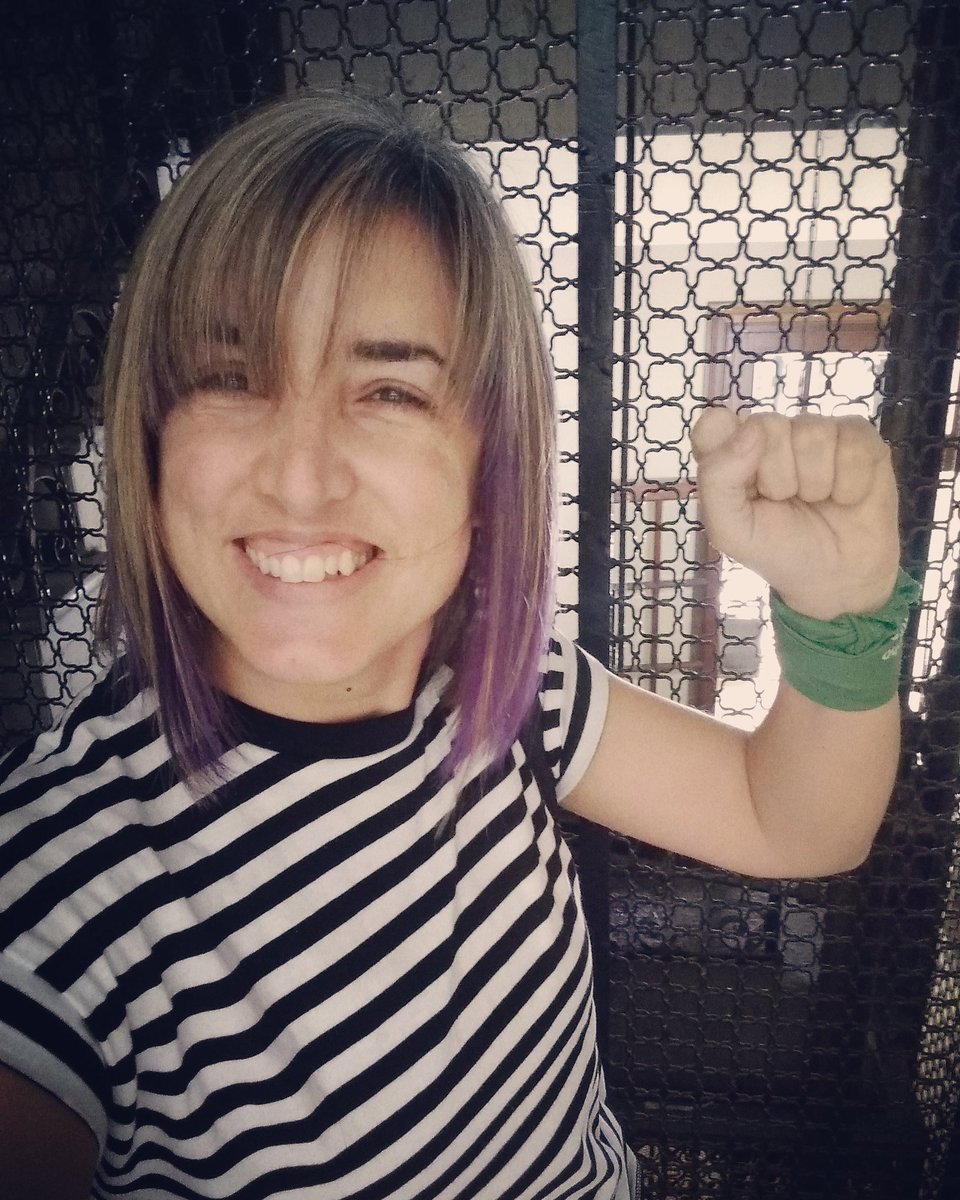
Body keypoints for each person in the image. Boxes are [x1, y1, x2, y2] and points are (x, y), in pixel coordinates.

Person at [0, 92, 917, 1200]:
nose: (301, 479)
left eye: (389, 389)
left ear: (490, 463)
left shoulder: (512, 689)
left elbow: (798, 823)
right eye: (231, 380)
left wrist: (842, 614)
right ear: (150, 435)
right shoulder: (57, 887)